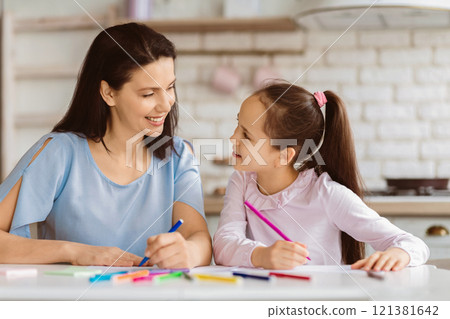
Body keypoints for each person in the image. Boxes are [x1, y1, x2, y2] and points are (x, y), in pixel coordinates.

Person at [0, 23, 212, 268]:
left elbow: (200, 239)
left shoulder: (178, 156)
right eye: (148, 94)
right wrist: (74, 252)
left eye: (170, 87)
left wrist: (189, 252)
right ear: (108, 93)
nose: (166, 104)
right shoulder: (58, 153)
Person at [213, 82, 429, 271]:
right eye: (237, 124)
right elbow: (223, 245)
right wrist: (261, 255)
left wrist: (400, 254)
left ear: (283, 156)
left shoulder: (326, 195)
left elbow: (411, 243)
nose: (232, 137)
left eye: (246, 135)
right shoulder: (242, 181)